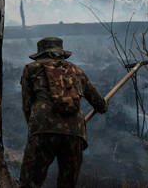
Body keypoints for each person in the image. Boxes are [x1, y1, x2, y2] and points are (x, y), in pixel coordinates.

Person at [20, 37, 108, 188]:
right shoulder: (77, 71)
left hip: (43, 130)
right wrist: (103, 105)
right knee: (67, 183)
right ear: (61, 53)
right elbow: (99, 104)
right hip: (75, 133)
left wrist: (35, 129)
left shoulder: (31, 69)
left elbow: (27, 105)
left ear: (41, 53)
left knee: (30, 181)